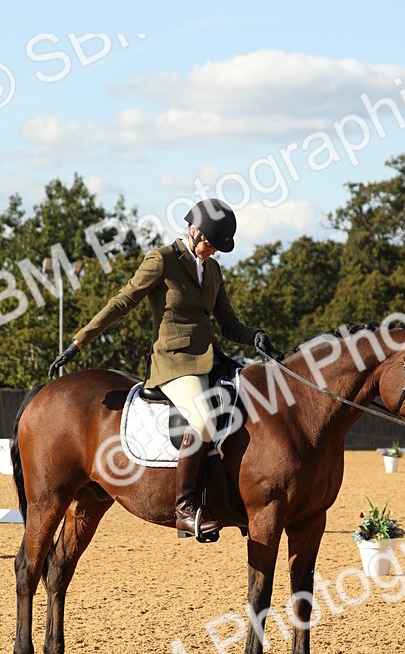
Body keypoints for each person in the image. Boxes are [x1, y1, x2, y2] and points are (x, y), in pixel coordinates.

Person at [47, 199, 278, 536]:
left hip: (212, 360)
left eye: (217, 247)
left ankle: (232, 499)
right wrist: (79, 341)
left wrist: (254, 335)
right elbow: (122, 302)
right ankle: (186, 507)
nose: (213, 251)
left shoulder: (213, 270)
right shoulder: (163, 260)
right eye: (210, 243)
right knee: (203, 417)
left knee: (251, 409)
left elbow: (228, 324)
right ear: (194, 232)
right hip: (173, 362)